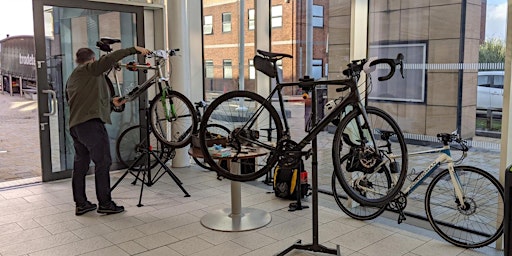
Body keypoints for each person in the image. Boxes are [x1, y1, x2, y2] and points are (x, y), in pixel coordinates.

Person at [66, 45, 151, 215]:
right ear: (93, 60)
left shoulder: (75, 77)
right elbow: (110, 59)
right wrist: (134, 49)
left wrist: (112, 102)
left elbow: (86, 101)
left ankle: (81, 204)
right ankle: (105, 203)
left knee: (81, 165)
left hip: (77, 126)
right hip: (90, 125)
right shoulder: (89, 69)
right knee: (103, 162)